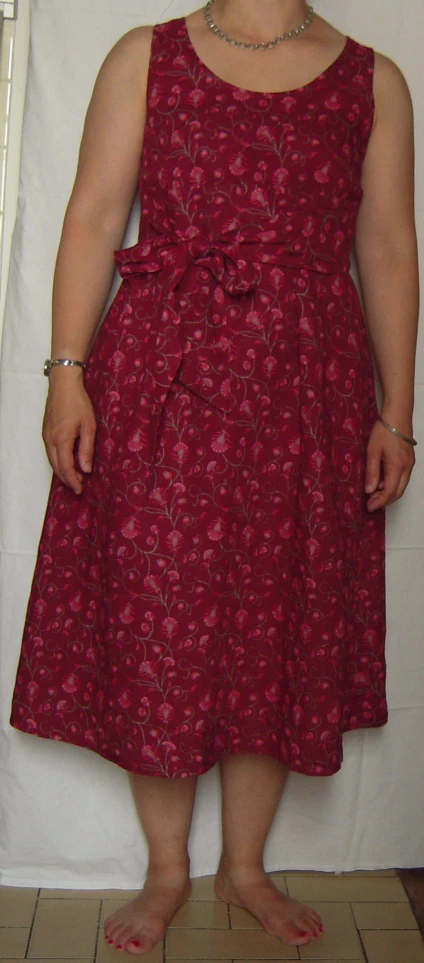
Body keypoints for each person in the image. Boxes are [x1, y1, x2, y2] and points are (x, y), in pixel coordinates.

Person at [9, 0, 418, 955]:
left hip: (307, 389)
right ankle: (166, 869)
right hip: (162, 377)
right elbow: (94, 214)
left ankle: (244, 869)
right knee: (160, 615)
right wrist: (66, 373)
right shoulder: (143, 57)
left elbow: (389, 247)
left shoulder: (374, 81)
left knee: (273, 618)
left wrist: (396, 412)